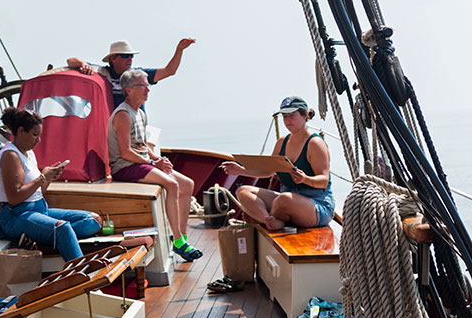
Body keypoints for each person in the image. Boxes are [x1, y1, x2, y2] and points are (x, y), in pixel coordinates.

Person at [107, 69, 202, 262]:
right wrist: (152, 162)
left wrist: (157, 160)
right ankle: (177, 240)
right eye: (142, 85)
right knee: (172, 185)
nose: (147, 89)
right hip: (125, 167)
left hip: (141, 162)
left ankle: (182, 237)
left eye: (147, 85)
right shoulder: (124, 115)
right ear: (129, 90)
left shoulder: (139, 113)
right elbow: (125, 152)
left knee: (187, 184)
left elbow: (142, 145)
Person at [0, 107, 101, 261]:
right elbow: (14, 198)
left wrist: (48, 177)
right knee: (62, 228)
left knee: (94, 220)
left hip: (39, 210)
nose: (38, 140)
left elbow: (37, 192)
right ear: (21, 131)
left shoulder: (28, 153)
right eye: (35, 135)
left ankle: (45, 237)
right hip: (15, 216)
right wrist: (42, 177)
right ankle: (80, 273)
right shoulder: (10, 155)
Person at [221, 96, 335, 231]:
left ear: (305, 115)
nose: (287, 121)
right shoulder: (282, 142)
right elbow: (269, 171)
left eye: (291, 116)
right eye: (284, 117)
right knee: (243, 191)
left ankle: (268, 220)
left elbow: (323, 181)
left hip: (315, 204)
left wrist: (306, 179)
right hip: (285, 200)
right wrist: (241, 171)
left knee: (284, 199)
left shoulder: (315, 144)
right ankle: (269, 220)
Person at [66, 38, 196, 108]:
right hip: (113, 128)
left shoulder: (138, 75)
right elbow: (71, 61)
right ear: (113, 59)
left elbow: (169, 71)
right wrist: (83, 65)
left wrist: (179, 50)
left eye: (131, 56)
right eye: (124, 56)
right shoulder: (101, 72)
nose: (129, 59)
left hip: (135, 126)